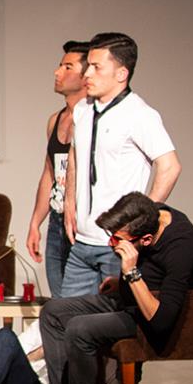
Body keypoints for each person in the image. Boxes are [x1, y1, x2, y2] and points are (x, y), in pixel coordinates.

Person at [19, 192, 193, 384]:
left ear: (146, 239)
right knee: (53, 311)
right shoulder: (151, 213)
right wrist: (121, 284)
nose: (111, 244)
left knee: (79, 328)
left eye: (118, 240)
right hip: (131, 301)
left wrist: (131, 273)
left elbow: (161, 320)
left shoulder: (181, 248)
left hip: (151, 320)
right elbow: (154, 274)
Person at [62, 33, 180, 296]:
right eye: (88, 66)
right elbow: (75, 155)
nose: (87, 74)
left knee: (112, 316)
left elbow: (170, 166)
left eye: (96, 67)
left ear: (121, 73)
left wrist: (140, 222)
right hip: (82, 243)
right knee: (63, 314)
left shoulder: (139, 114)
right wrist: (70, 202)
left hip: (115, 244)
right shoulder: (82, 109)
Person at [27, 41, 88, 298]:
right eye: (60, 65)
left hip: (83, 223)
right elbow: (49, 174)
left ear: (86, 76)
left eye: (67, 67)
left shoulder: (93, 120)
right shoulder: (56, 120)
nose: (57, 72)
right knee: (59, 299)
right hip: (56, 220)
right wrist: (35, 222)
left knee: (80, 301)